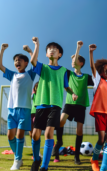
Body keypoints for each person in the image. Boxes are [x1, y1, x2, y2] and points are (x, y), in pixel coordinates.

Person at [29, 37, 78, 171]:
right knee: (35, 135)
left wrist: (72, 93)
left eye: (55, 50)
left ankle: (44, 166)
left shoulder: (63, 70)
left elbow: (66, 86)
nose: (52, 51)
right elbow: (33, 61)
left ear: (60, 54)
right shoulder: (42, 67)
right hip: (41, 104)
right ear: (46, 54)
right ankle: (36, 159)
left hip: (55, 105)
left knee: (49, 134)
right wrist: (37, 45)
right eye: (49, 49)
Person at [53, 40, 94, 165]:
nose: (72, 62)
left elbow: (97, 80)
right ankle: (59, 142)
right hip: (70, 104)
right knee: (60, 121)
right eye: (72, 60)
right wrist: (78, 48)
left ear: (81, 63)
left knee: (79, 131)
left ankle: (77, 157)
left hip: (81, 106)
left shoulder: (87, 77)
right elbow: (66, 87)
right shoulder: (68, 73)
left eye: (75, 60)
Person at [0, 43, 36, 170]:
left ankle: (17, 161)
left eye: (19, 60)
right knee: (10, 136)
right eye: (15, 61)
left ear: (26, 63)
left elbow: (35, 62)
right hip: (11, 110)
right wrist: (2, 50)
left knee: (20, 135)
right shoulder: (12, 75)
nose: (16, 62)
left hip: (24, 109)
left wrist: (31, 50)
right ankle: (17, 157)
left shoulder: (30, 74)